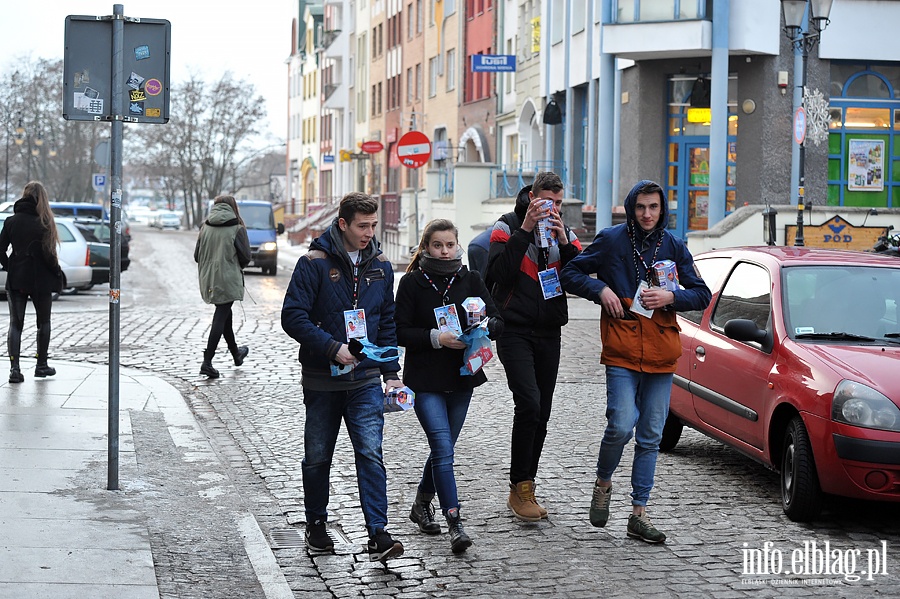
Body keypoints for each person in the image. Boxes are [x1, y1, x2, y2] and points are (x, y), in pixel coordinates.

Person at [560, 180, 711, 544]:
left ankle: (638, 513)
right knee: (621, 424)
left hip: (661, 350)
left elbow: (702, 294)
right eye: (641, 207)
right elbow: (570, 273)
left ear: (662, 210)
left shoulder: (673, 245)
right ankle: (603, 481)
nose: (646, 214)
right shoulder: (612, 239)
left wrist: (671, 295)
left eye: (653, 207)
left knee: (651, 436)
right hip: (622, 348)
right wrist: (601, 290)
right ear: (631, 207)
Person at [281, 191, 405, 562]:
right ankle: (316, 524)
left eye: (373, 225)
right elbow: (293, 317)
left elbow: (386, 323)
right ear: (343, 224)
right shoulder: (313, 262)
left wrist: (392, 374)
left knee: (370, 453)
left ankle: (378, 534)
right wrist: (331, 347)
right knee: (318, 456)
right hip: (322, 379)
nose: (369, 232)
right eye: (362, 226)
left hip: (365, 379)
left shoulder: (382, 266)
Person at [395, 219, 503, 554]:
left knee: (444, 451)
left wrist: (482, 327)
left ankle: (421, 503)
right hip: (425, 379)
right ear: (426, 247)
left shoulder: (470, 279)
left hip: (461, 377)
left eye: (450, 245)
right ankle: (455, 522)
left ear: (458, 245)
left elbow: (498, 319)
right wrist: (436, 338)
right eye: (438, 245)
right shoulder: (413, 283)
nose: (444, 251)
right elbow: (399, 331)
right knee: (443, 449)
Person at [486, 171, 582, 521]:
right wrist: (525, 228)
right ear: (531, 197)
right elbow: (497, 274)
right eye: (546, 202)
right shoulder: (506, 225)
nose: (552, 208)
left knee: (541, 411)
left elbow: (579, 277)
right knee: (527, 402)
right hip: (514, 328)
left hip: (549, 330)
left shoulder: (564, 232)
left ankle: (523, 487)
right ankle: (521, 484)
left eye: (557, 203)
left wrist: (566, 244)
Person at [0, 181, 62, 383]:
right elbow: (49, 254)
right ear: (41, 198)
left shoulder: (11, 221)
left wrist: (12, 265)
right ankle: (41, 365)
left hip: (17, 278)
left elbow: (0, 250)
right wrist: (57, 273)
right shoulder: (45, 222)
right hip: (41, 279)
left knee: (15, 324)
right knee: (43, 322)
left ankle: (14, 369)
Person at [194, 195, 251, 379]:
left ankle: (236, 354)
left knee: (225, 314)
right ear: (233, 207)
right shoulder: (237, 228)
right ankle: (207, 361)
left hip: (208, 278)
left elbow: (197, 256)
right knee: (221, 316)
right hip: (228, 278)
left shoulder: (205, 227)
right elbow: (246, 257)